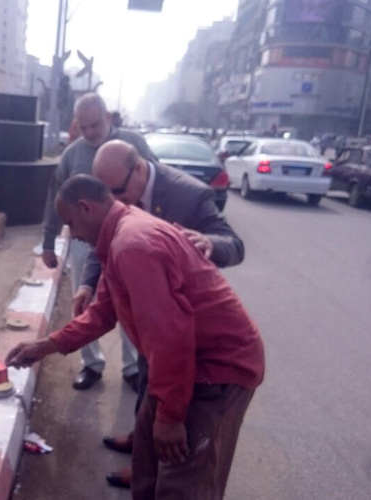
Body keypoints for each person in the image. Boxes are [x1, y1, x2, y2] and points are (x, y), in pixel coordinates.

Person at [7, 175, 265, 500]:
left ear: (86, 208)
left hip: (216, 369)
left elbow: (170, 337)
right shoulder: (120, 234)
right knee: (147, 463)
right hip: (180, 366)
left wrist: (171, 417)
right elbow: (103, 312)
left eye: (70, 223)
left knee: (184, 482)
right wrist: (45, 346)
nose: (73, 234)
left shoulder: (133, 244)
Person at [81, 140, 245, 489]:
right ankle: (143, 452)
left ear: (139, 169)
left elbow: (234, 243)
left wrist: (209, 243)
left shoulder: (189, 195)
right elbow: (103, 235)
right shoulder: (118, 201)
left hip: (183, 323)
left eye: (117, 192)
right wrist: (87, 283)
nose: (113, 201)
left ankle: (153, 463)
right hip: (149, 319)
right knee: (149, 387)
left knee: (173, 409)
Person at [42, 92, 155, 392]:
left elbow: (154, 180)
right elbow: (56, 197)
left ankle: (133, 365)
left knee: (129, 300)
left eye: (95, 125)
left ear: (107, 117)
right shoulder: (72, 155)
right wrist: (48, 241)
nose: (90, 132)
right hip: (84, 241)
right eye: (84, 127)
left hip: (130, 237)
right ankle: (91, 363)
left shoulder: (133, 144)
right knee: (83, 299)